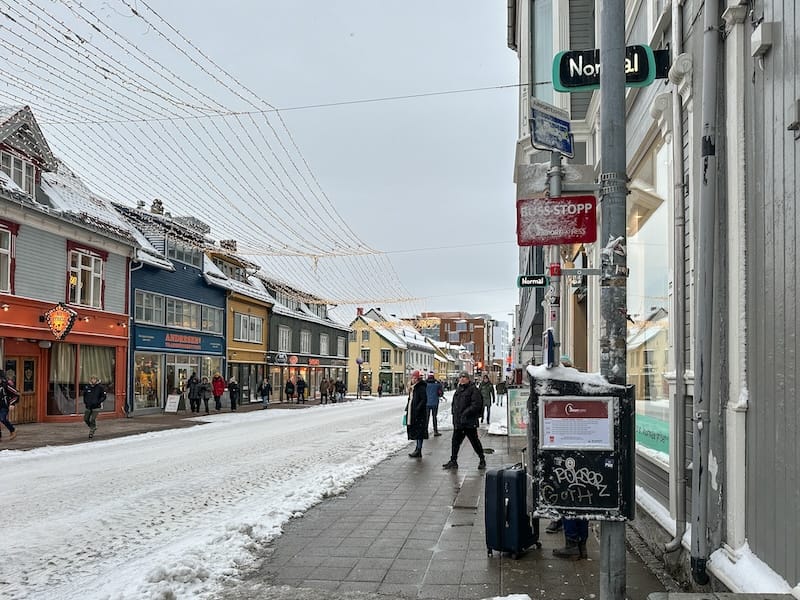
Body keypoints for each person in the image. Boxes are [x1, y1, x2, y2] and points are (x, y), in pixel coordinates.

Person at [442, 371, 486, 470]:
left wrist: (466, 413)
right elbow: (455, 404)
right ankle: (453, 461)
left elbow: (476, 405)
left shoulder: (473, 390)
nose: (462, 379)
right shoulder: (459, 390)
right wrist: (455, 415)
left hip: (469, 422)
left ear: (468, 379)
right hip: (459, 422)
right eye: (460, 377)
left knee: (474, 442)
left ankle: (482, 459)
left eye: (464, 377)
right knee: (455, 442)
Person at [405, 370, 429, 458]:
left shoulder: (420, 387)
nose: (414, 380)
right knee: (417, 431)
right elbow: (411, 399)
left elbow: (423, 399)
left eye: (415, 378)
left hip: (419, 414)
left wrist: (417, 408)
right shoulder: (413, 388)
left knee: (419, 432)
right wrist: (408, 408)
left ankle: (419, 450)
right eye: (413, 378)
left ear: (418, 379)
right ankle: (417, 449)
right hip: (413, 412)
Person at [83, 375, 107, 440]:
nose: (93, 380)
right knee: (86, 419)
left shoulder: (100, 387)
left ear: (96, 380)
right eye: (92, 379)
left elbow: (104, 396)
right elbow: (84, 395)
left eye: (94, 379)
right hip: (88, 406)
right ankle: (93, 427)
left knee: (92, 419)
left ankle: (91, 431)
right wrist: (86, 402)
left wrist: (98, 402)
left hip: (96, 406)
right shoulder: (87, 387)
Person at [0, 369, 20, 441]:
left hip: (4, 406)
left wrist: (12, 403)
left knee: (2, 419)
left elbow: (16, 394)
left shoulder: (6, 385)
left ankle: (12, 430)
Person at [425, 372, 443, 436]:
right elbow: (441, 394)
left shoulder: (425, 384)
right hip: (435, 403)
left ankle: (425, 432)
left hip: (426, 403)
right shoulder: (437, 384)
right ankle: (435, 431)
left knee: (426, 418)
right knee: (434, 417)